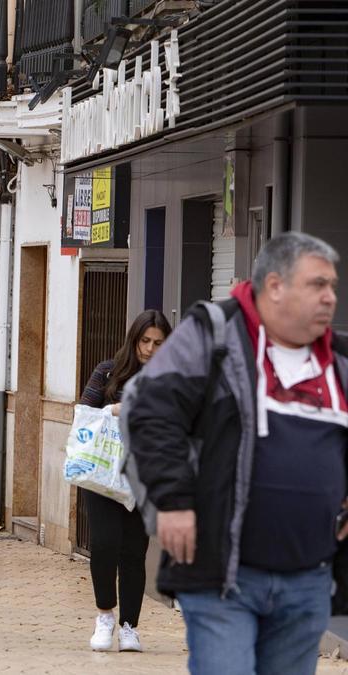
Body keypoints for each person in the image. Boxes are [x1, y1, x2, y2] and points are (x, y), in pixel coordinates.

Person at [124, 232, 348, 675]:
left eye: (333, 287)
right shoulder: (214, 335)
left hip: (307, 578)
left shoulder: (339, 361)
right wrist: (172, 500)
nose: (330, 298)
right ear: (276, 286)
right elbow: (151, 411)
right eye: (317, 285)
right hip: (222, 574)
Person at [78, 310, 171, 653]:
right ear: (133, 340)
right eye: (145, 341)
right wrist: (111, 410)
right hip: (103, 472)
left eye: (158, 343)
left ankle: (129, 626)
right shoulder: (107, 372)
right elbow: (83, 411)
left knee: (134, 552)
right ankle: (105, 615)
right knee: (104, 544)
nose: (150, 349)